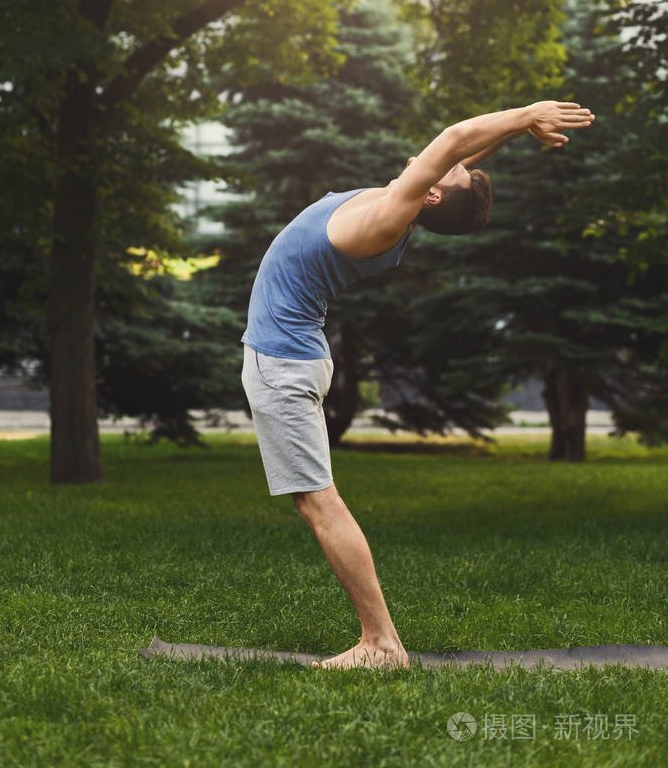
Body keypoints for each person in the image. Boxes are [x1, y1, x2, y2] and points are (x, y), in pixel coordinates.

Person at [240, 100, 595, 669]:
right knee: (316, 501)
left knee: (319, 503)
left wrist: (528, 110)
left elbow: (454, 141)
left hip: (279, 364)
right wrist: (517, 129)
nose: (431, 159)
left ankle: (380, 643)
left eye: (441, 170)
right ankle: (380, 641)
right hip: (293, 356)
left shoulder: (389, 215)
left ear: (430, 194)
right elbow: (460, 153)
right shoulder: (406, 204)